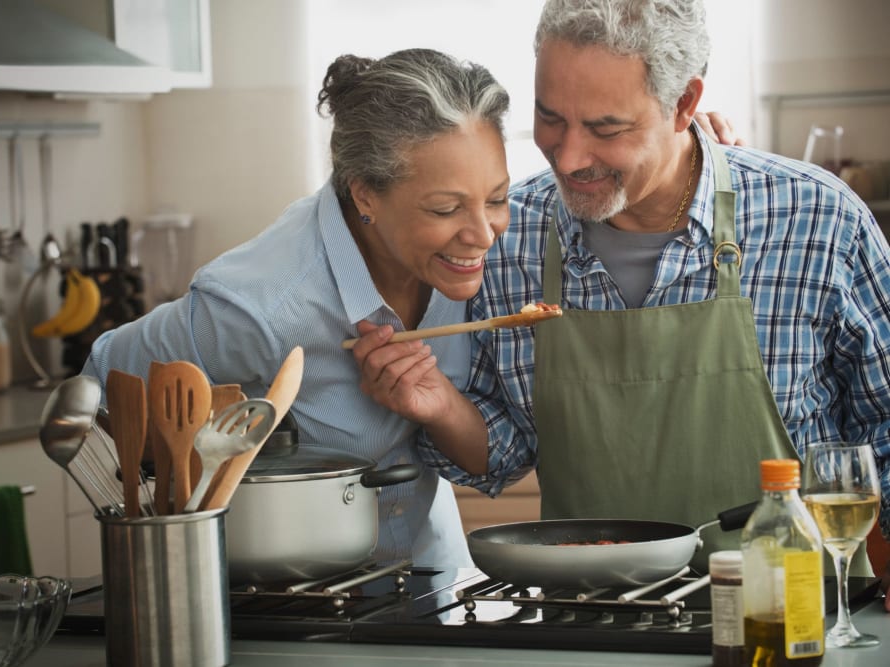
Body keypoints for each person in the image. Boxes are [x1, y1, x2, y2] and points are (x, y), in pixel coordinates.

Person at [356, 0, 890, 598]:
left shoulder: (816, 218)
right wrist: (437, 404)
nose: (569, 155)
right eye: (550, 117)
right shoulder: (510, 236)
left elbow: (885, 429)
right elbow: (504, 453)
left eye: (606, 128)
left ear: (684, 105)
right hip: (588, 620)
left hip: (789, 619)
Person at [82, 48, 512, 568]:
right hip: (284, 592)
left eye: (496, 199)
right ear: (366, 196)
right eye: (446, 209)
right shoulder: (259, 304)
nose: (483, 233)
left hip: (430, 569)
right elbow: (102, 386)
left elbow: (490, 459)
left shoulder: (466, 266)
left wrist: (441, 405)